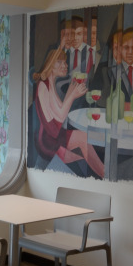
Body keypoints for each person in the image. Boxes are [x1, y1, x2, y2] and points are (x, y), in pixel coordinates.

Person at [32, 48, 106, 178]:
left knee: (85, 138)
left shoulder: (50, 83)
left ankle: (104, 173)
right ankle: (105, 175)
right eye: (60, 62)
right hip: (48, 141)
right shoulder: (43, 86)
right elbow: (57, 122)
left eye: (65, 62)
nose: (65, 65)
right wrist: (73, 96)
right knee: (84, 142)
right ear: (51, 64)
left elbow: (60, 109)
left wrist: (72, 89)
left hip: (55, 135)